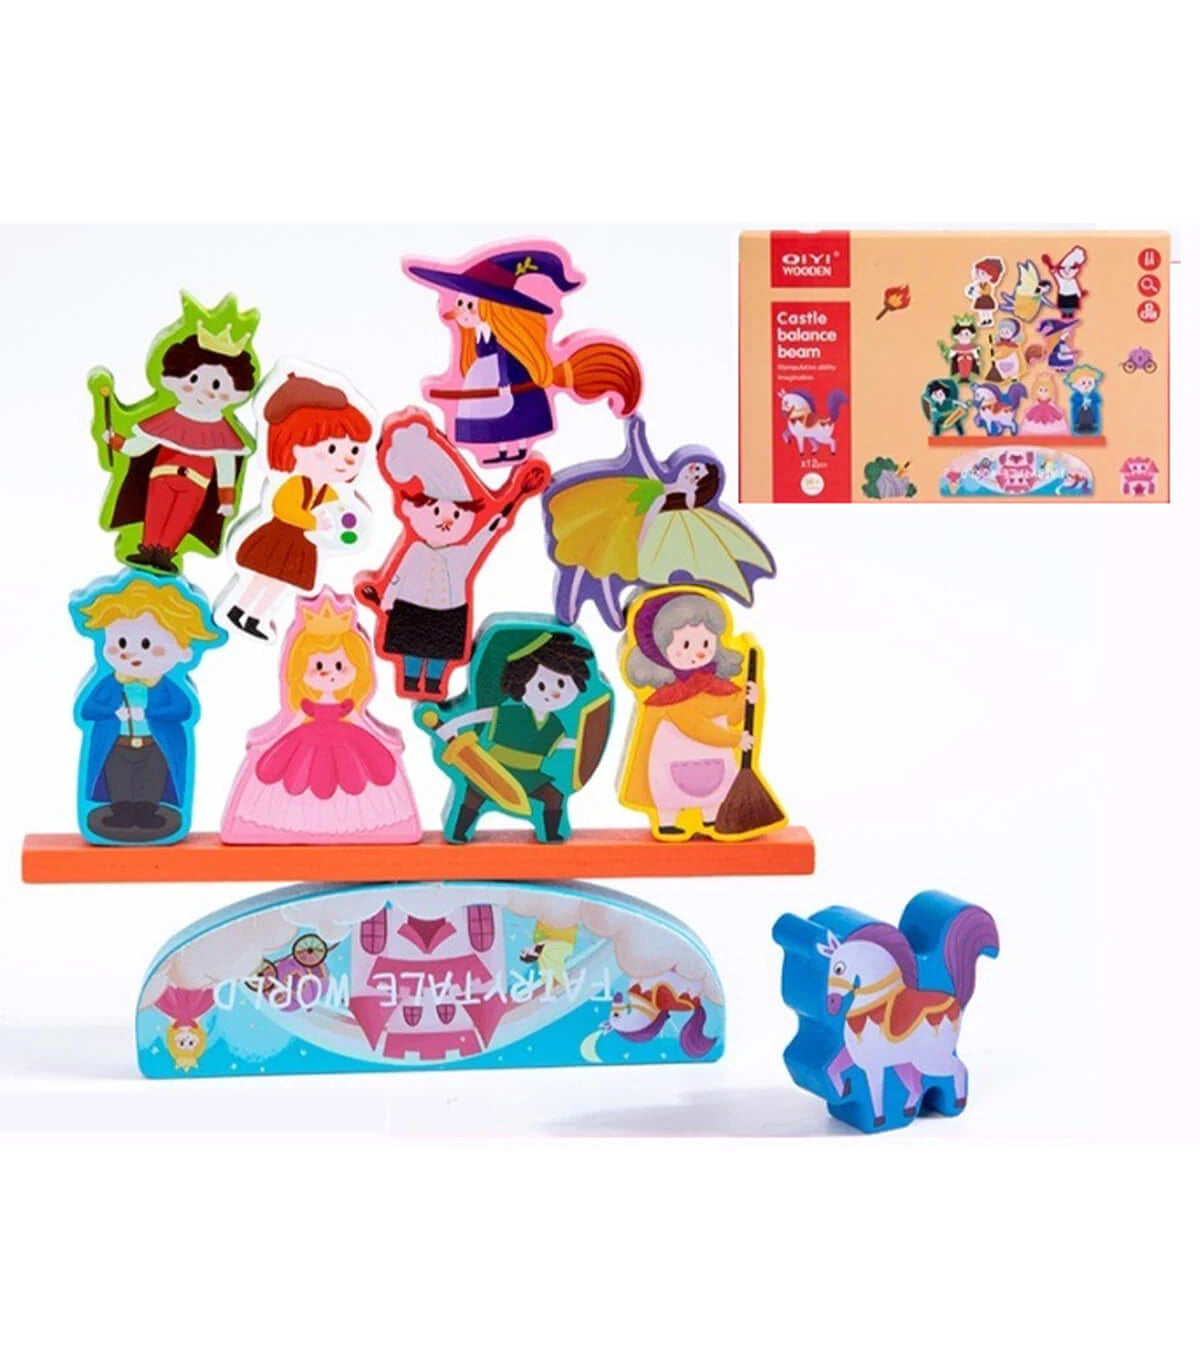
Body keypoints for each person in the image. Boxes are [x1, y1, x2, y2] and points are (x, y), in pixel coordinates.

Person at [356, 410, 547, 697]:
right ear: (411, 509)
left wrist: (516, 498)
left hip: (449, 612)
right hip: (411, 607)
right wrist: (385, 601)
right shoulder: (415, 549)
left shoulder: (462, 554)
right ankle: (411, 680)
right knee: (411, 650)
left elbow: (489, 531)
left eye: (457, 513)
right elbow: (396, 579)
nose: (446, 520)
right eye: (435, 510)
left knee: (439, 652)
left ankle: (433, 683)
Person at [222, 592, 421, 845]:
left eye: (339, 666)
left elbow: (362, 721)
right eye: (317, 666)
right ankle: (300, 824)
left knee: (355, 781)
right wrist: (266, 740)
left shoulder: (349, 709)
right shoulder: (304, 709)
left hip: (349, 743)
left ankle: (352, 826)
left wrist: (387, 741)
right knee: (298, 780)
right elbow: (291, 720)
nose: (328, 673)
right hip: (305, 743)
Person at [73, 576, 221, 841]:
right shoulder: (109, 683)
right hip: (116, 745)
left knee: (151, 782)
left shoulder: (168, 687)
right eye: (120, 643)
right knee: (118, 782)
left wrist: (150, 713)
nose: (131, 654)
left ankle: (147, 813)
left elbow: (185, 710)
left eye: (146, 645)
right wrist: (113, 712)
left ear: (184, 651)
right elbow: (87, 710)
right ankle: (120, 813)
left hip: (155, 746)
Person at [228, 372, 373, 639]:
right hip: (280, 538)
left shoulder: (330, 492)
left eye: (354, 450)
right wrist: (313, 522)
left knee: (280, 585)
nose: (347, 459)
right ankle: (238, 609)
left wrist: (339, 529)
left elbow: (337, 517)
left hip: (302, 546)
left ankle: (256, 617)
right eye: (331, 449)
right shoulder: (295, 484)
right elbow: (283, 507)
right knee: (262, 577)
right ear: (293, 447)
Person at [105, 327, 257, 573]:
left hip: (196, 484)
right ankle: (148, 549)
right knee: (155, 513)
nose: (203, 392)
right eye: (193, 380)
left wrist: (226, 498)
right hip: (162, 476)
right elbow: (140, 446)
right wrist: (116, 442)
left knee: (181, 519)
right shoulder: (167, 420)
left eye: (216, 384)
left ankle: (166, 553)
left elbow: (225, 465)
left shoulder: (223, 434)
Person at [619, 590, 753, 837]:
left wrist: (745, 699)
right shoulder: (672, 696)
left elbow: (731, 717)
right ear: (662, 649)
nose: (699, 653)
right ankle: (668, 821)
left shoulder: (716, 685)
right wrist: (733, 740)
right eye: (686, 645)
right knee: (672, 789)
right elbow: (695, 727)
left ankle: (711, 818)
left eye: (706, 643)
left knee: (713, 788)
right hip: (679, 751)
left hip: (714, 751)